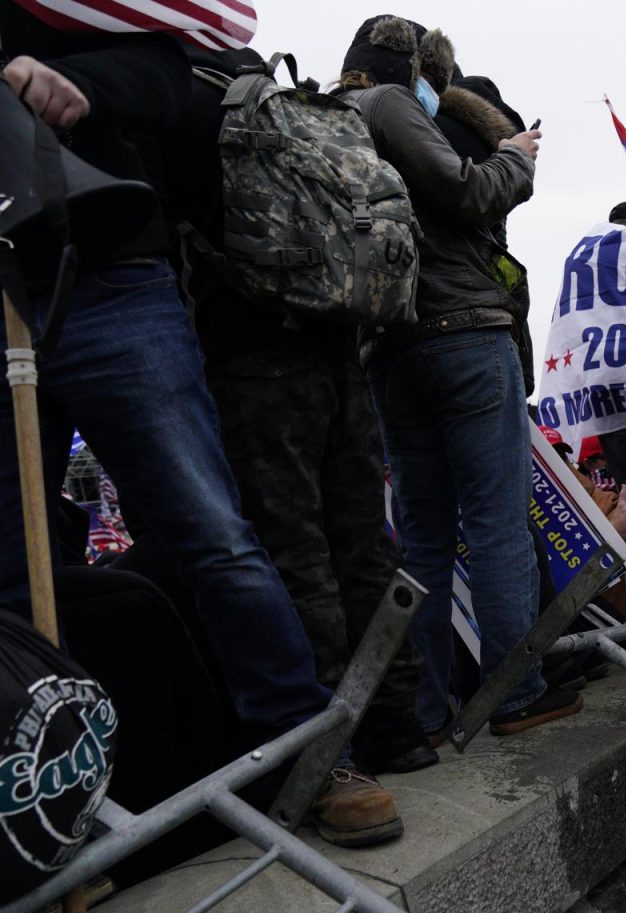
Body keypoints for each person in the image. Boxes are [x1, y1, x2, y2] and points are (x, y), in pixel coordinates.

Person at [0, 6, 403, 845]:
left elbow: (168, 73)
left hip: (109, 275)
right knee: (10, 573)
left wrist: (83, 84)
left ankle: (305, 754)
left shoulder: (81, 20)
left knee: (215, 534)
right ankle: (44, 808)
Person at [175, 42, 434, 778]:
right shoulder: (297, 108)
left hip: (251, 360)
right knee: (364, 541)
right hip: (338, 343)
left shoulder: (190, 112)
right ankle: (397, 725)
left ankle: (327, 753)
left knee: (294, 551)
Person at [339, 16, 581, 742]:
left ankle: (424, 706)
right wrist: (516, 157)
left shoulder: (329, 121)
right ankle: (517, 691)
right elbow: (465, 192)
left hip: (387, 346)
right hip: (463, 336)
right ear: (408, 67)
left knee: (422, 538)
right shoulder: (387, 104)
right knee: (497, 519)